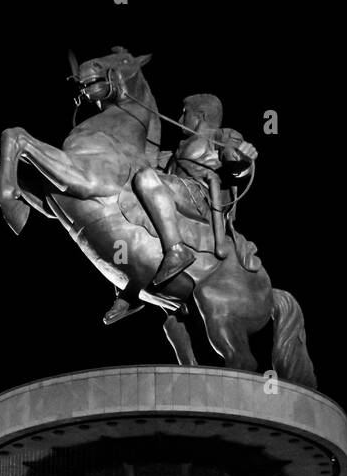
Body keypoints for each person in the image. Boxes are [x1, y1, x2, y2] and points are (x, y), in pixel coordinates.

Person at [103, 93, 259, 324]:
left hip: (200, 199)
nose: (180, 117)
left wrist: (242, 160)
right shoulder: (178, 149)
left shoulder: (221, 135)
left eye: (184, 113)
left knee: (146, 178)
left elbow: (233, 161)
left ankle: (176, 251)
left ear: (201, 115)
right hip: (176, 196)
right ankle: (131, 288)